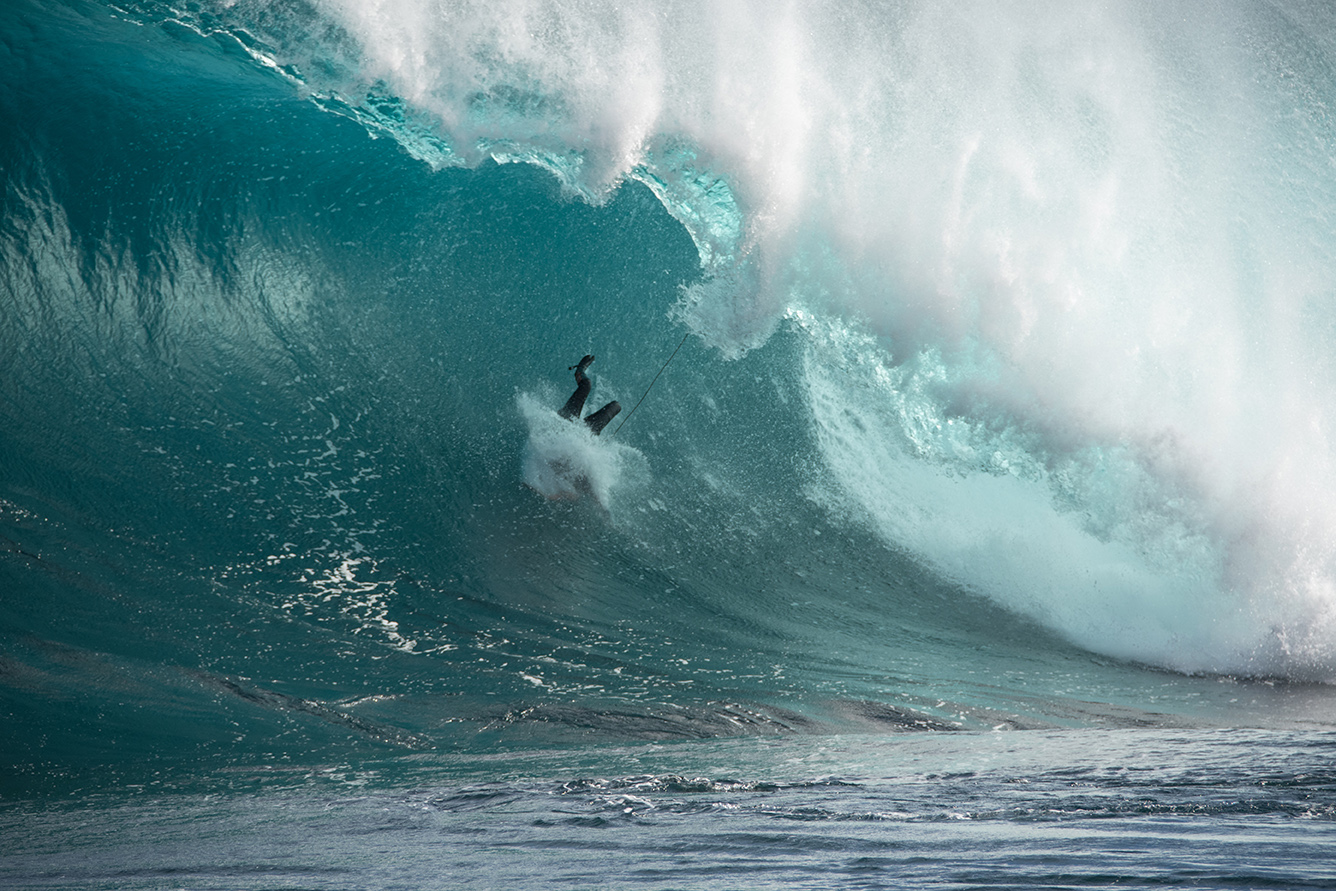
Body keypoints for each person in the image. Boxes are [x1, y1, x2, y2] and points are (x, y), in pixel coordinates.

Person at [558, 354, 621, 435]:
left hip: (566, 421)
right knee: (616, 406)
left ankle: (579, 370)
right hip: (586, 433)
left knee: (586, 385)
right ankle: (580, 370)